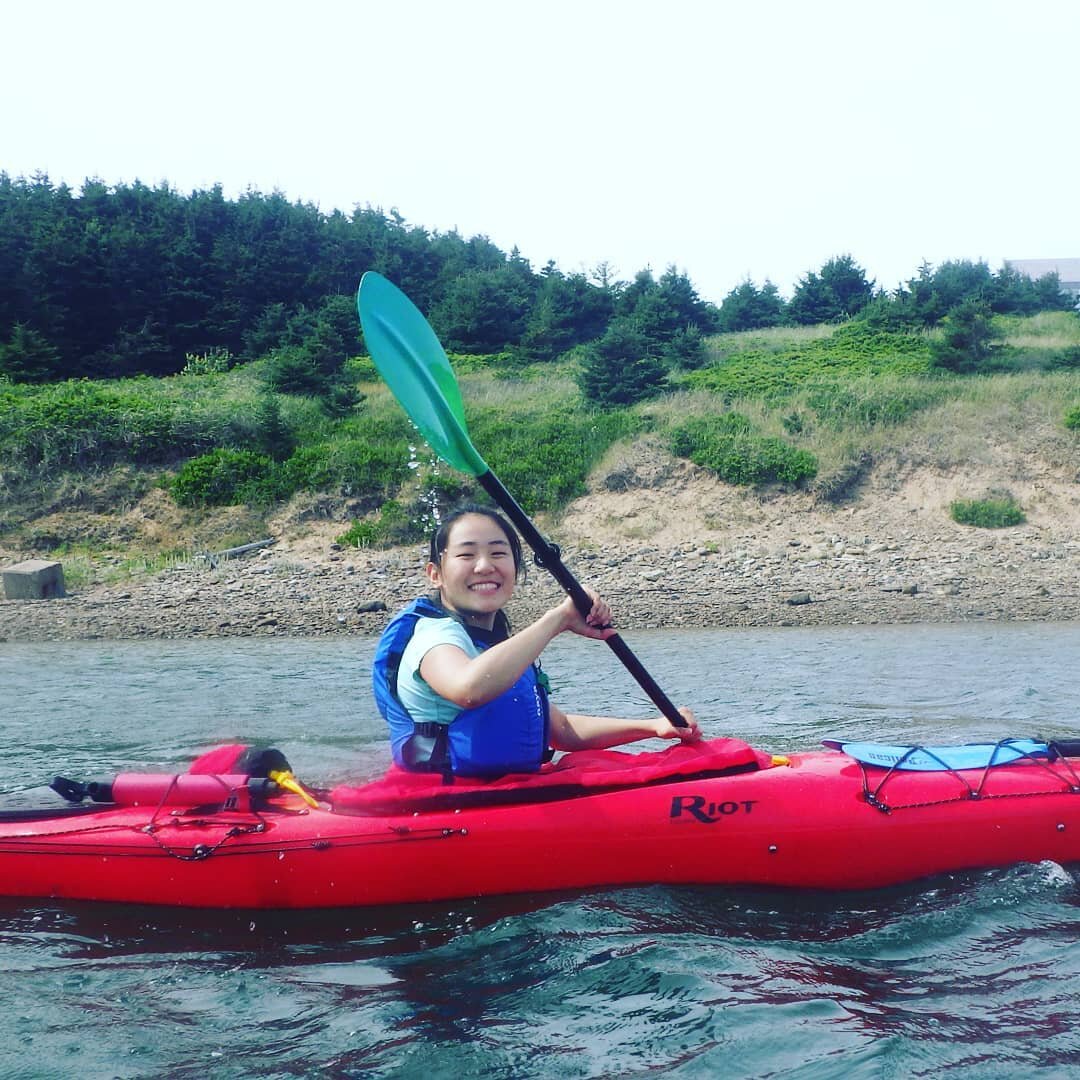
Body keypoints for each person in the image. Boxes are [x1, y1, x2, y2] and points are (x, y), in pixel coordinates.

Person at [372, 504, 701, 778]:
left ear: (515, 568)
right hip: (444, 804)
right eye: (466, 555)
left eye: (499, 553)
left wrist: (654, 727)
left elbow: (562, 730)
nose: (485, 566)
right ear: (436, 574)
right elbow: (468, 689)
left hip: (502, 793)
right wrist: (558, 620)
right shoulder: (434, 636)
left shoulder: (495, 646)